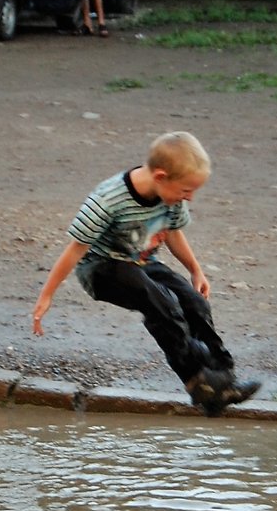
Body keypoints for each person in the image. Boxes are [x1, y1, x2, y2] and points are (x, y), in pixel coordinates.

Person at [31, 131, 261, 416]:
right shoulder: (108, 200)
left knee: (194, 303)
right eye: (186, 191)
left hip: (140, 263)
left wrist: (195, 270)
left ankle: (224, 381)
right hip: (101, 269)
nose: (190, 198)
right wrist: (47, 294)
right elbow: (75, 250)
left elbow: (173, 234)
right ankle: (197, 380)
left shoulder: (172, 199)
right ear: (161, 176)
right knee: (163, 303)